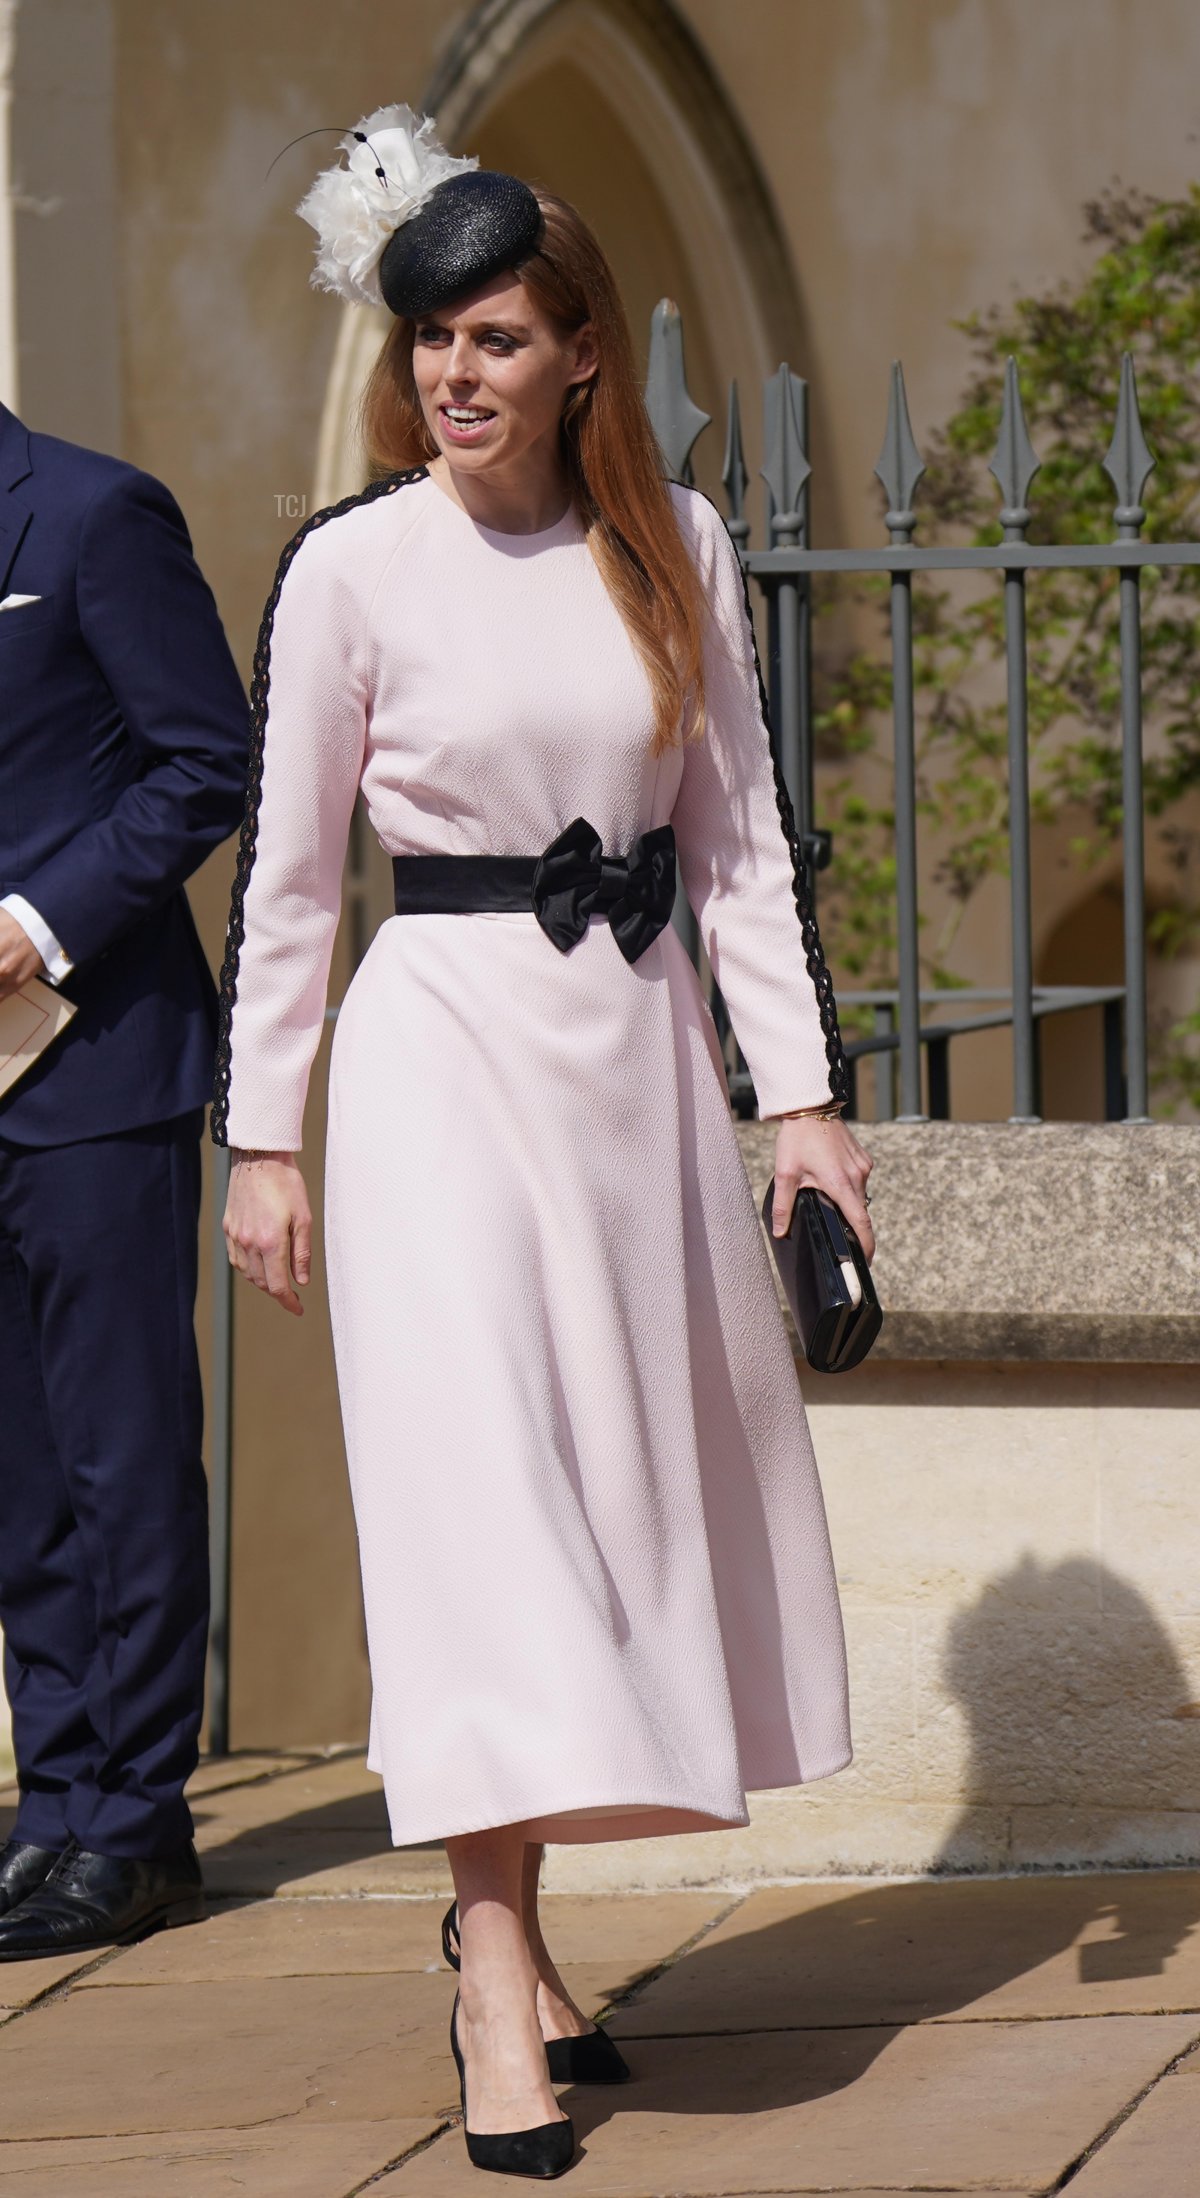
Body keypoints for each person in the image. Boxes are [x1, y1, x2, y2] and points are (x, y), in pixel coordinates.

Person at [215, 105, 872, 2180]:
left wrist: (807, 1116)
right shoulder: (350, 568)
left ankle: (519, 1924)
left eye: (495, 337)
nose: (454, 377)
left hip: (636, 1077)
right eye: (430, 342)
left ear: (581, 347)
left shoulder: (675, 544)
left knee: (604, 1513)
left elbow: (744, 855)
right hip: (432, 1074)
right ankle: (493, 1974)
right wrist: (266, 1139)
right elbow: (297, 890)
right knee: (478, 1516)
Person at [0, 401, 248, 1956]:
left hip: (94, 1063)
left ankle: (141, 1819)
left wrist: (34, 925)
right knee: (15, 1474)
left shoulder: (95, 516)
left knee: (122, 1453)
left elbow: (203, 760)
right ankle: (56, 1800)